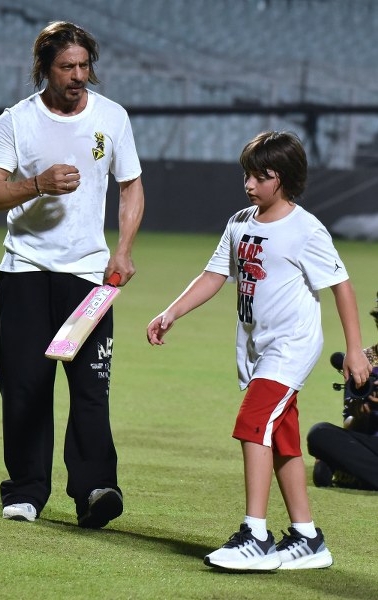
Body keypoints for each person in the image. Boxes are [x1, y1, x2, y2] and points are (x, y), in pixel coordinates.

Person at [147, 131, 371, 571]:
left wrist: (355, 350)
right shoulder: (240, 221)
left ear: (284, 179)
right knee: (282, 438)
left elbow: (341, 286)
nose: (249, 184)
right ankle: (307, 538)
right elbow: (214, 274)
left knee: (253, 424)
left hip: (291, 346)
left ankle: (256, 534)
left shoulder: (306, 229)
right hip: (257, 347)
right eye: (247, 174)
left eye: (260, 176)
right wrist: (172, 311)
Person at [0, 21, 144, 528]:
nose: (78, 76)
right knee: (25, 387)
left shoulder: (112, 117)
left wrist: (124, 249)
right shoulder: (16, 122)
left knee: (92, 386)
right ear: (44, 69)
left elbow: (131, 186)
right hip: (25, 272)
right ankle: (26, 491)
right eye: (66, 67)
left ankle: (95, 489)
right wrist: (38, 184)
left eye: (84, 66)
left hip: (89, 278)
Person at [307, 294, 378, 490]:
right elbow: (350, 424)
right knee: (319, 433)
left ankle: (349, 471)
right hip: (370, 444)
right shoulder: (363, 361)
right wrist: (358, 415)